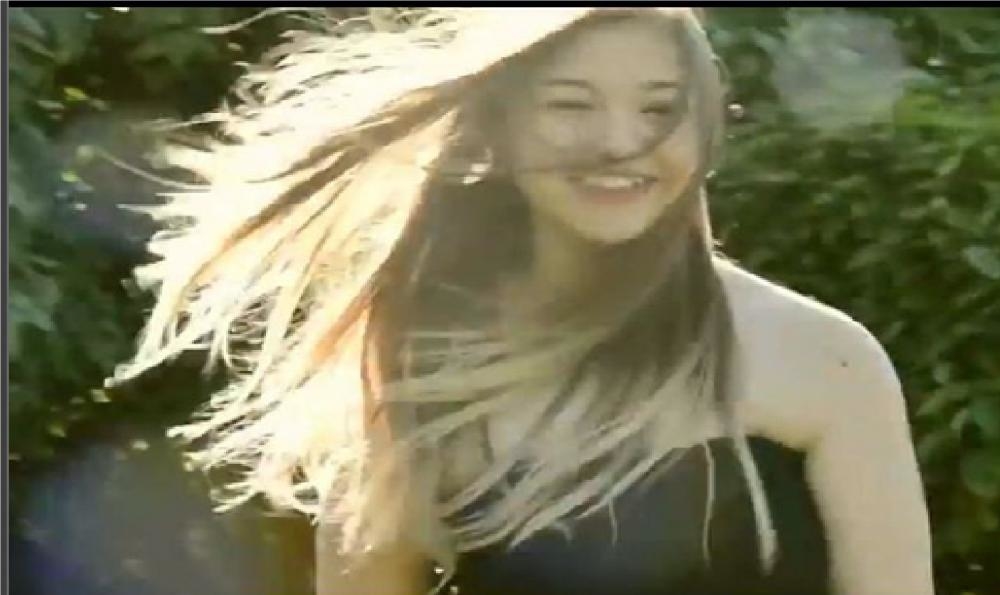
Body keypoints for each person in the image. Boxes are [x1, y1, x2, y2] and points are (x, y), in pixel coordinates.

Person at [112, 7, 935, 595]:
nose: (620, 141)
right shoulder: (424, 368)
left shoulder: (822, 359)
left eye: (660, 108)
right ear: (499, 132)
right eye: (570, 105)